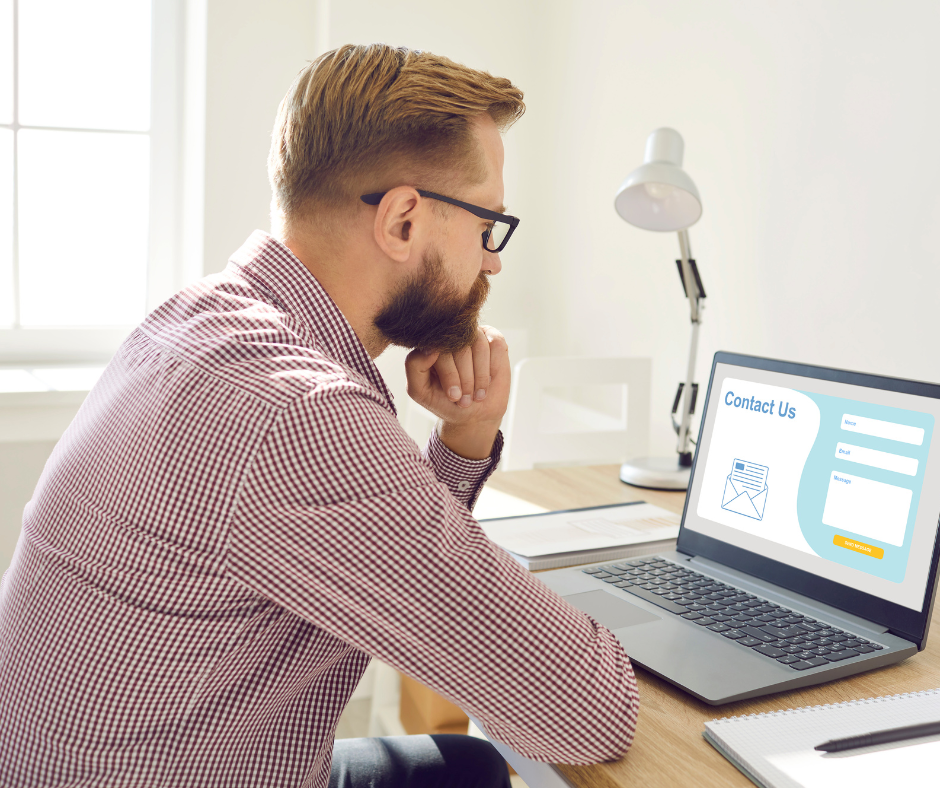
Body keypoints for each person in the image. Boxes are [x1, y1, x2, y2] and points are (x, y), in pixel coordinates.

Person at [0, 44, 639, 787]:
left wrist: (463, 440)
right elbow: (585, 707)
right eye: (487, 225)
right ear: (403, 220)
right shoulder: (298, 414)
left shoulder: (195, 321)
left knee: (465, 765)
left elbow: (394, 571)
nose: (492, 262)